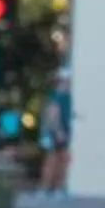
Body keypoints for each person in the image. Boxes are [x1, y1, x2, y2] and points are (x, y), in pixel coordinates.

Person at [39, 64, 73, 193]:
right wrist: (58, 131)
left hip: (62, 132)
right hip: (55, 133)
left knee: (62, 160)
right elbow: (53, 115)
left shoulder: (66, 96)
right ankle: (47, 187)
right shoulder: (57, 96)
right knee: (53, 160)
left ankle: (56, 187)